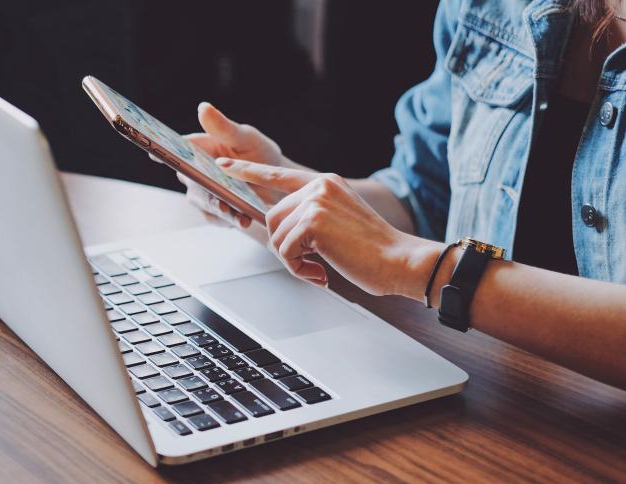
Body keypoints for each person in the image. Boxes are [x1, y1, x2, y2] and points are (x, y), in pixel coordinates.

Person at [176, 0, 626, 389]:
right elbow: (424, 196)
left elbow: (404, 253)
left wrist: (420, 267)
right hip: (489, 398)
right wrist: (289, 192)